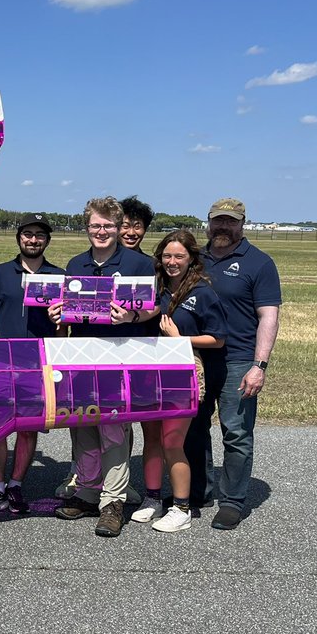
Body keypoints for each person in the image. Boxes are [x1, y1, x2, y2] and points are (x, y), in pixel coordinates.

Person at [51, 196, 157, 538]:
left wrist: (131, 316)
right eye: (95, 225)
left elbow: (154, 306)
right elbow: (70, 311)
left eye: (108, 225)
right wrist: (58, 313)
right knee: (82, 426)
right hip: (82, 357)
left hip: (119, 358)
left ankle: (113, 501)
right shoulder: (76, 263)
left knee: (113, 430)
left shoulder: (139, 264)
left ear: (118, 227)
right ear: (87, 227)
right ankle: (87, 492)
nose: (101, 231)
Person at [186, 198, 281, 530]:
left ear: (242, 223)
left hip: (239, 359)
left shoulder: (259, 262)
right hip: (197, 358)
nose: (223, 227)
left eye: (231, 221)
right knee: (193, 428)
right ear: (208, 222)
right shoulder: (195, 259)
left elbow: (268, 317)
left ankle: (232, 501)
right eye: (218, 220)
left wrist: (259, 365)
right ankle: (197, 491)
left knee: (236, 433)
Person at [136, 230, 227, 533]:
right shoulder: (156, 288)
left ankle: (182, 508)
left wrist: (180, 339)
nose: (172, 262)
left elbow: (217, 338)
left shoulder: (203, 292)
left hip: (183, 372)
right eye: (167, 256)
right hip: (151, 371)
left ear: (191, 259)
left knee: (172, 442)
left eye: (179, 256)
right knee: (151, 438)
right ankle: (152, 498)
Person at [0, 213, 65, 515]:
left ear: (47, 241)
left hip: (37, 364)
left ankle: (16, 485)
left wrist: (59, 330)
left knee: (28, 428)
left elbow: (64, 326)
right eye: (28, 234)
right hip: (1, 362)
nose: (33, 240)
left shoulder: (58, 276)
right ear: (19, 238)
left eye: (39, 235)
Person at [118, 195, 167, 521]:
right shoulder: (104, 261)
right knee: (111, 423)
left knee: (150, 425)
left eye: (137, 226)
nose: (131, 231)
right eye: (125, 225)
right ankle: (103, 482)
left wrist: (135, 316)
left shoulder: (154, 266)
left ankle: (152, 494)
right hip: (108, 353)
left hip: (146, 352)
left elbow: (161, 303)